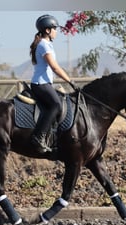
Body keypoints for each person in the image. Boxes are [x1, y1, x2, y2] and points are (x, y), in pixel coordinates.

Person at [29, 14, 74, 153]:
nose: (56, 31)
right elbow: (55, 67)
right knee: (55, 105)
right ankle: (38, 137)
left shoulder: (46, 44)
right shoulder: (43, 45)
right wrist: (70, 81)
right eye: (55, 28)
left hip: (45, 83)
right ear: (47, 30)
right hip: (40, 84)